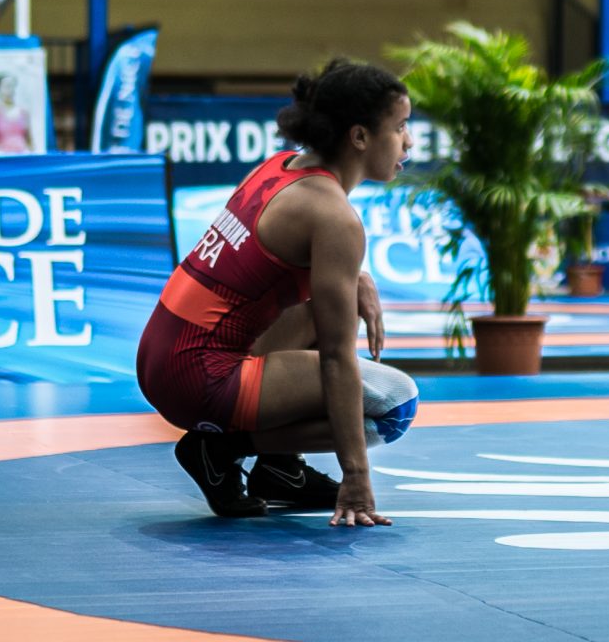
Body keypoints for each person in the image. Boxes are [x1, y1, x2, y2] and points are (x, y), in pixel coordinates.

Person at [137, 59, 418, 527]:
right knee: (394, 405)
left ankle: (279, 472)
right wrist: (356, 476)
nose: (408, 141)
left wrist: (357, 281)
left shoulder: (278, 168)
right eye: (401, 126)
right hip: (198, 376)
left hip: (162, 354)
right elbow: (335, 359)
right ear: (360, 137)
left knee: (334, 300)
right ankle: (221, 448)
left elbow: (262, 269)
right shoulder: (333, 217)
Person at [0, 72, 33, 154]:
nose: (11, 90)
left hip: (23, 158)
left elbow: (30, 142)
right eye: (7, 86)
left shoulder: (24, 112)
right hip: (3, 160)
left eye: (13, 86)